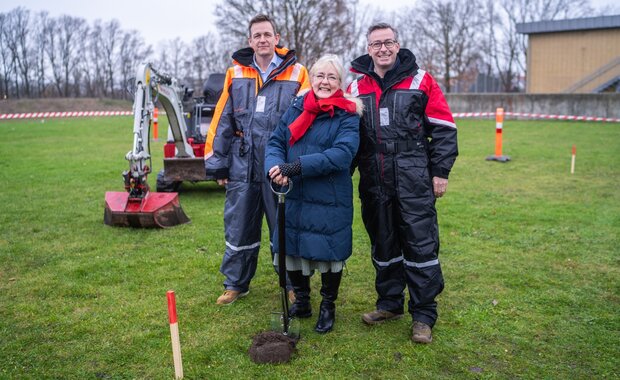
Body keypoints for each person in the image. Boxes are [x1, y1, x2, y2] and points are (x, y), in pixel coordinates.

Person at [347, 23, 458, 343]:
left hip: (414, 177)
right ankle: (390, 303)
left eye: (388, 42)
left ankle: (423, 314)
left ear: (398, 45)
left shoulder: (421, 80)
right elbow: (349, 137)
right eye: (375, 44)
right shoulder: (356, 88)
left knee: (420, 244)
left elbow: (444, 129)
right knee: (383, 243)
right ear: (368, 49)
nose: (382, 48)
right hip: (374, 176)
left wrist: (440, 171)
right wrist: (340, 174)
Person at [204, 14, 310, 305]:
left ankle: (292, 284)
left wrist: (296, 164)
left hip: (279, 162)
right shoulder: (235, 73)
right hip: (242, 162)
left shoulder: (298, 73)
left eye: (267, 34)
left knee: (285, 225)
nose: (262, 40)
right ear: (249, 41)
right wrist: (217, 164)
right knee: (239, 225)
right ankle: (236, 283)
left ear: (277, 39)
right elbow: (221, 119)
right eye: (257, 36)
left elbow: (306, 119)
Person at [265, 54, 363, 333]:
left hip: (329, 196)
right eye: (320, 75)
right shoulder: (297, 106)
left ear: (340, 83)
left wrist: (295, 167)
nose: (325, 81)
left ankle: (328, 305)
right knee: (292, 247)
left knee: (329, 253)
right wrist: (275, 167)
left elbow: (342, 155)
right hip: (294, 191)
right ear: (312, 78)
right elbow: (275, 141)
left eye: (332, 77)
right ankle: (303, 301)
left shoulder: (348, 113)